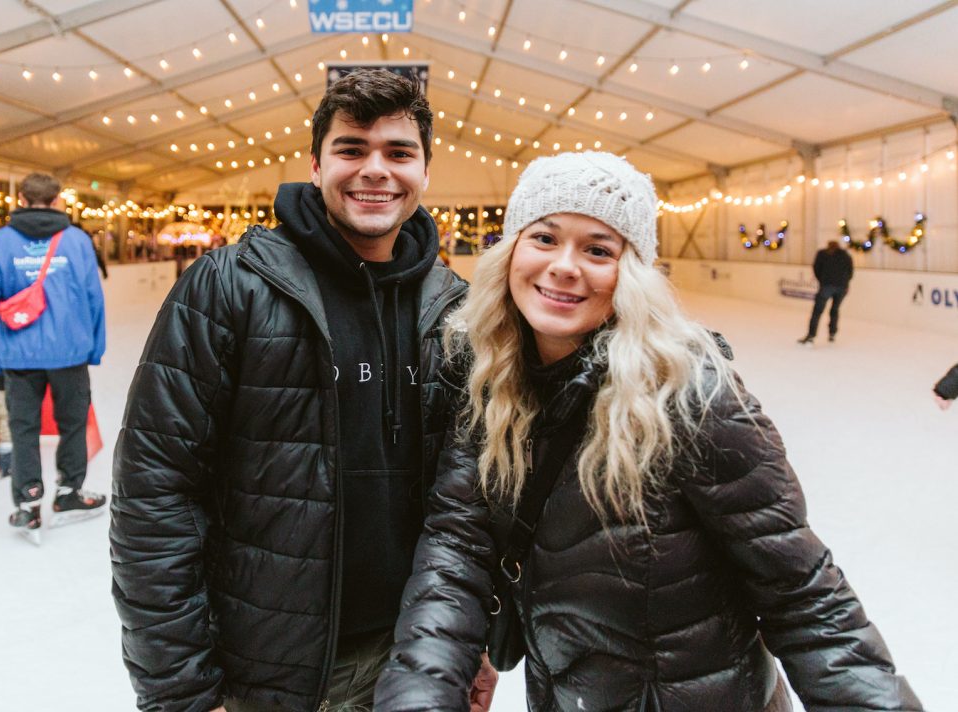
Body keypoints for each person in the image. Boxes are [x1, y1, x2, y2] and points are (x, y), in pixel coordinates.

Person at [374, 152, 922, 712]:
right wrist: (420, 696)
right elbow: (456, 551)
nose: (565, 266)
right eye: (544, 237)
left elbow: (804, 597)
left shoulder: (685, 396)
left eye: (598, 249)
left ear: (632, 272)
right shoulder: (489, 382)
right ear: (511, 250)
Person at [110, 69, 486, 712]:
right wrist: (182, 690)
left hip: (413, 662)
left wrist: (465, 642)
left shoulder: (457, 311)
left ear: (426, 171)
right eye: (351, 149)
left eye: (399, 153)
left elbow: (470, 508)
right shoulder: (230, 287)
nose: (376, 170)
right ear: (315, 164)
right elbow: (155, 493)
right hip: (264, 669)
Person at [0, 172, 106, 541]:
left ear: (20, 198)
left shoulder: (1, 242)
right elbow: (94, 298)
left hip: (18, 354)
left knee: (23, 429)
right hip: (69, 352)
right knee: (72, 424)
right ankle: (69, 494)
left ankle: (28, 502)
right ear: (56, 200)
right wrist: (94, 348)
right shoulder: (77, 240)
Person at [798, 239, 853, 345]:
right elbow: (850, 271)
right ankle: (832, 333)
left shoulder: (822, 254)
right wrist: (845, 283)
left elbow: (816, 268)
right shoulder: (845, 255)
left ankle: (811, 336)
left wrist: (822, 281)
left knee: (817, 311)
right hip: (841, 287)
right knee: (835, 310)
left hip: (827, 286)